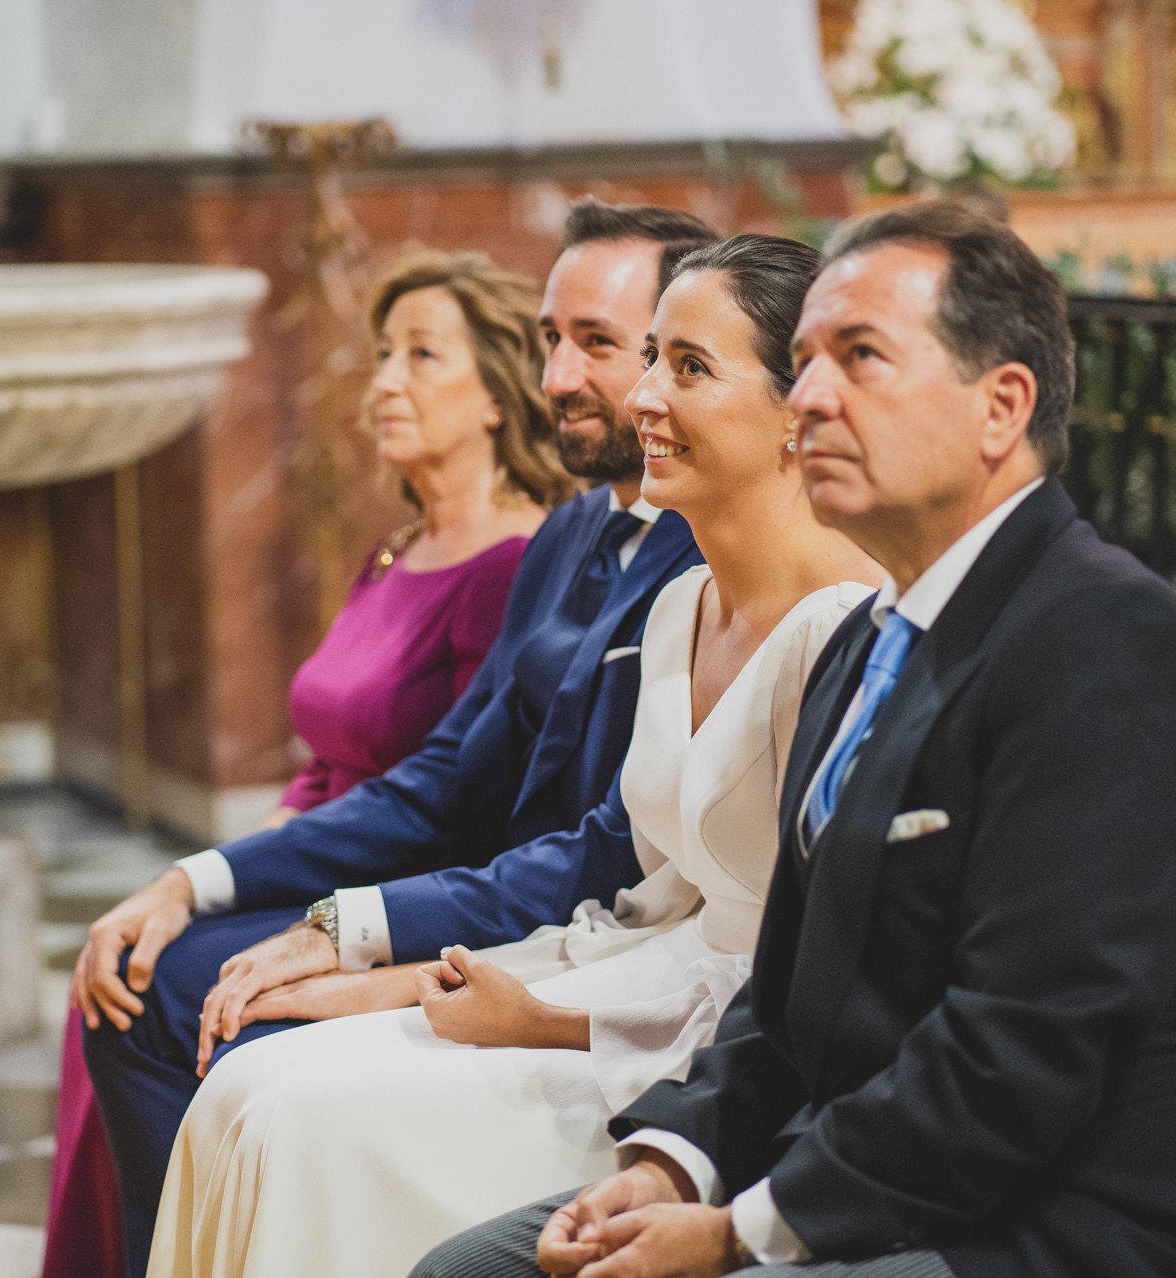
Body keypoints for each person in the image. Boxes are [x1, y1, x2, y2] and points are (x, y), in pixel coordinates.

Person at [416, 202, 1176, 1278]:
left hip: (1099, 1218)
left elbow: (1023, 1049)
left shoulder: (1105, 637)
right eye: (801, 360)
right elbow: (785, 998)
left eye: (859, 356)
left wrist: (742, 1230)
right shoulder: (867, 640)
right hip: (895, 1178)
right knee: (471, 1271)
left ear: (999, 406)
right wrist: (669, 1165)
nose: (812, 396)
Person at [145, 235, 885, 1278]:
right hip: (607, 974)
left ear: (790, 408)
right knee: (240, 1091)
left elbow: (801, 969)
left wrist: (540, 1020)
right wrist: (408, 975)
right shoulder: (677, 606)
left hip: (692, 1053)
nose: (643, 400)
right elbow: (635, 884)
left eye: (689, 368)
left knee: (289, 1119)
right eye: (652, 361)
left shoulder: (842, 629)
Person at [71, 199, 718, 1274]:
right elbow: (439, 777)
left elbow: (608, 854)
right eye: (551, 339)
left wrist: (367, 944)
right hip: (490, 901)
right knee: (149, 968)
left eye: (597, 345)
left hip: (563, 941)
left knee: (197, 1018)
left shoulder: (704, 557)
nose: (556, 376)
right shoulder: (571, 531)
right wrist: (199, 879)